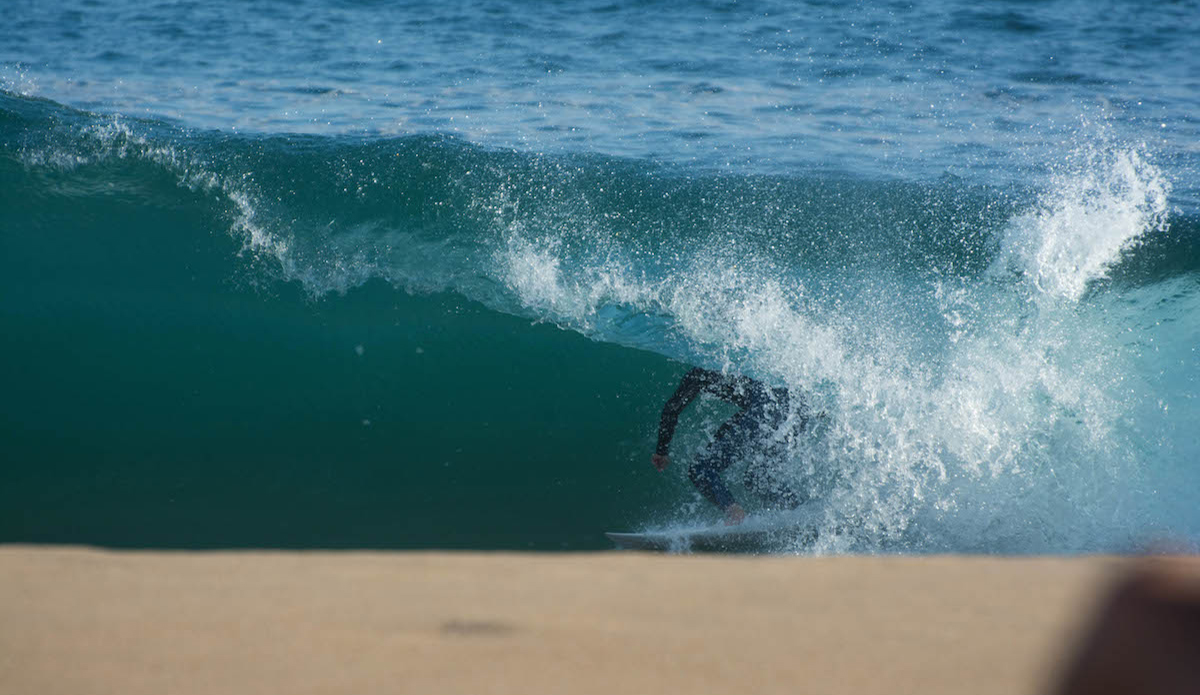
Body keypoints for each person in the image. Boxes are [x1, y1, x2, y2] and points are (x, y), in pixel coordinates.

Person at [652, 367, 807, 526]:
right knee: (757, 478)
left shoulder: (702, 366)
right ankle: (800, 511)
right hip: (795, 410)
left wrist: (661, 451)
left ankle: (734, 513)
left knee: (700, 468)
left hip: (764, 409)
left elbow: (672, 409)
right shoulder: (745, 353)